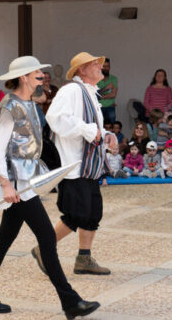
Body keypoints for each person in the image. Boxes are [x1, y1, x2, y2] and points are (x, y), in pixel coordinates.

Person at [0, 55, 100, 320]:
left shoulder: (30, 104)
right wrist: (6, 185)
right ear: (24, 77)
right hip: (17, 188)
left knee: (3, 240)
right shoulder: (10, 107)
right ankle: (70, 302)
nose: (42, 77)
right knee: (45, 240)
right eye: (37, 74)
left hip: (26, 184)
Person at [43, 51, 118, 277]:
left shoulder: (91, 94)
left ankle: (84, 259)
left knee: (93, 213)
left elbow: (91, 126)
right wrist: (90, 131)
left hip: (89, 166)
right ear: (82, 70)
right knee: (75, 214)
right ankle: (43, 249)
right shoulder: (71, 90)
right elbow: (55, 118)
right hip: (74, 166)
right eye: (94, 64)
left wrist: (105, 135)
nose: (100, 67)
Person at [97, 58, 118, 125]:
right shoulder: (95, 78)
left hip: (110, 107)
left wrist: (100, 96)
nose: (106, 68)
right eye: (104, 66)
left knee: (112, 128)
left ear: (110, 67)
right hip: (99, 108)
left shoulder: (114, 79)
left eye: (107, 66)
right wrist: (106, 88)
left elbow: (113, 94)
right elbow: (94, 94)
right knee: (99, 128)